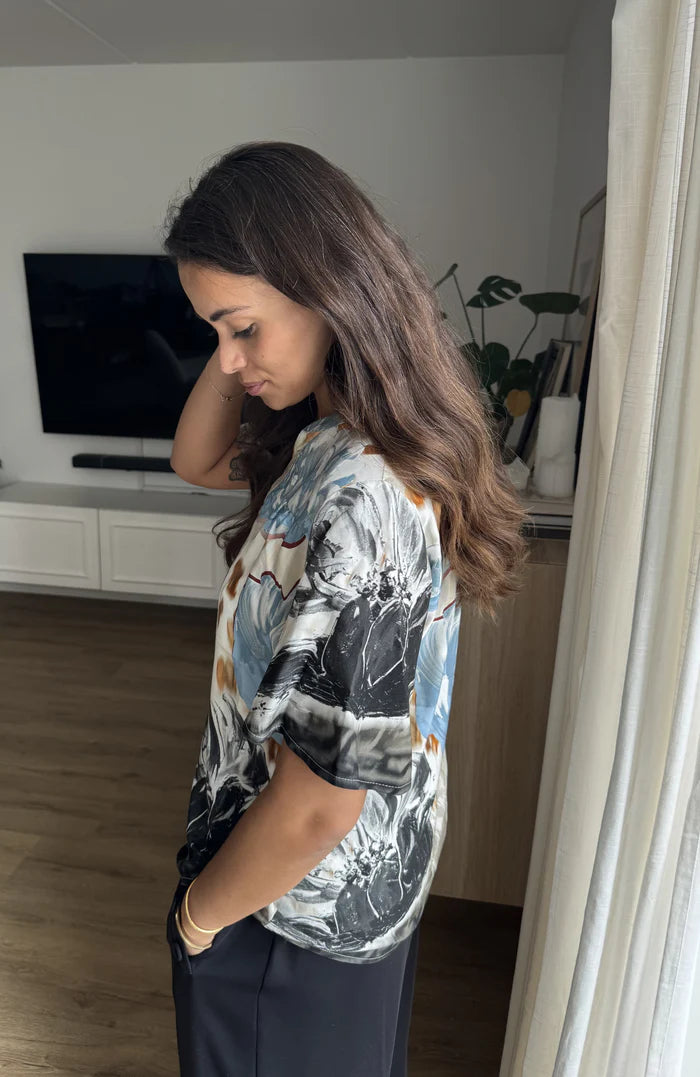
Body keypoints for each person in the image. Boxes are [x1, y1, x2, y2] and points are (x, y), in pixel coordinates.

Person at [160, 140, 529, 1076]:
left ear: (326, 290)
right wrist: (240, 334)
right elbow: (195, 460)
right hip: (348, 896)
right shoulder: (335, 436)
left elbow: (323, 799)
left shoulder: (363, 497)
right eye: (212, 332)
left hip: (287, 913)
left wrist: (199, 918)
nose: (229, 358)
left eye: (243, 328)